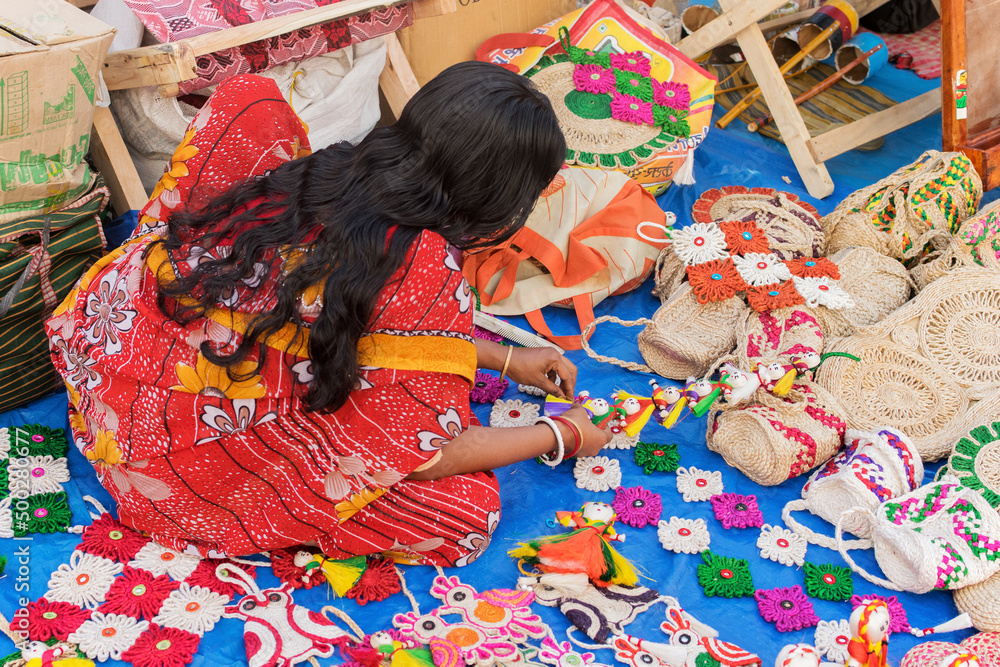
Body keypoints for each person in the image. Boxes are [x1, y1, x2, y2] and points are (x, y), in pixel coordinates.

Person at [46, 63, 611, 566]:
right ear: (495, 194)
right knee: (464, 513)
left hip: (110, 359)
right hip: (171, 464)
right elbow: (424, 453)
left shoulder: (332, 168)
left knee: (254, 103)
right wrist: (559, 433)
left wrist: (507, 358)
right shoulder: (425, 265)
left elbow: (345, 324)